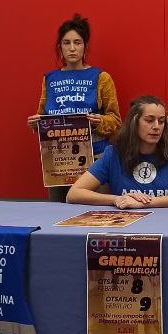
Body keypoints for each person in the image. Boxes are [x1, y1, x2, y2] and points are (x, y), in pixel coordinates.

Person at [27, 14, 121, 202]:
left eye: (77, 42)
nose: (72, 48)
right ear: (59, 47)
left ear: (85, 46)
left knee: (94, 212)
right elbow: (43, 117)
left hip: (94, 159)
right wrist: (36, 123)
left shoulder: (101, 77)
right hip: (58, 160)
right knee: (58, 212)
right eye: (66, 43)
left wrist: (99, 121)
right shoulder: (50, 79)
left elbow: (116, 121)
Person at [67, 95, 168, 209]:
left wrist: (146, 203)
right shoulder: (113, 153)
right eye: (149, 120)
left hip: (167, 223)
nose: (156, 127)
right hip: (125, 224)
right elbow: (73, 194)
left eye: (161, 121)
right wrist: (117, 199)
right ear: (134, 122)